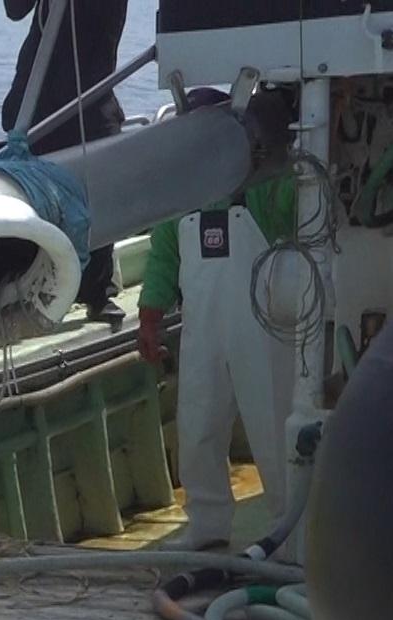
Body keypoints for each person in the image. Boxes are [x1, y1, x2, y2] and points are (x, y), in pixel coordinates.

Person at [137, 88, 298, 552]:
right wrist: (149, 318)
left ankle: (288, 529)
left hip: (263, 325)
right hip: (201, 327)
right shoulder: (180, 196)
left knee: (273, 424)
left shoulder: (270, 184)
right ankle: (206, 525)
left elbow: (307, 214)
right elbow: (163, 258)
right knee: (198, 422)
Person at [3, 0, 129, 324]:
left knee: (97, 188)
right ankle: (30, 288)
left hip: (91, 91)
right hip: (39, 95)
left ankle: (98, 292)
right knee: (33, 195)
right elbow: (15, 9)